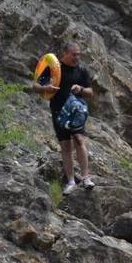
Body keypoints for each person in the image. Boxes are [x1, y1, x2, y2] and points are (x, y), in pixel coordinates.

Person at [34, 41, 96, 195]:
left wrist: (80, 89)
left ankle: (86, 177)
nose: (77, 57)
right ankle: (70, 181)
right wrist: (45, 88)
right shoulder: (54, 68)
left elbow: (90, 92)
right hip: (58, 111)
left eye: (79, 54)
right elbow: (35, 86)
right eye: (74, 54)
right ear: (65, 54)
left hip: (75, 111)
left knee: (79, 140)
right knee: (65, 146)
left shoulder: (81, 70)